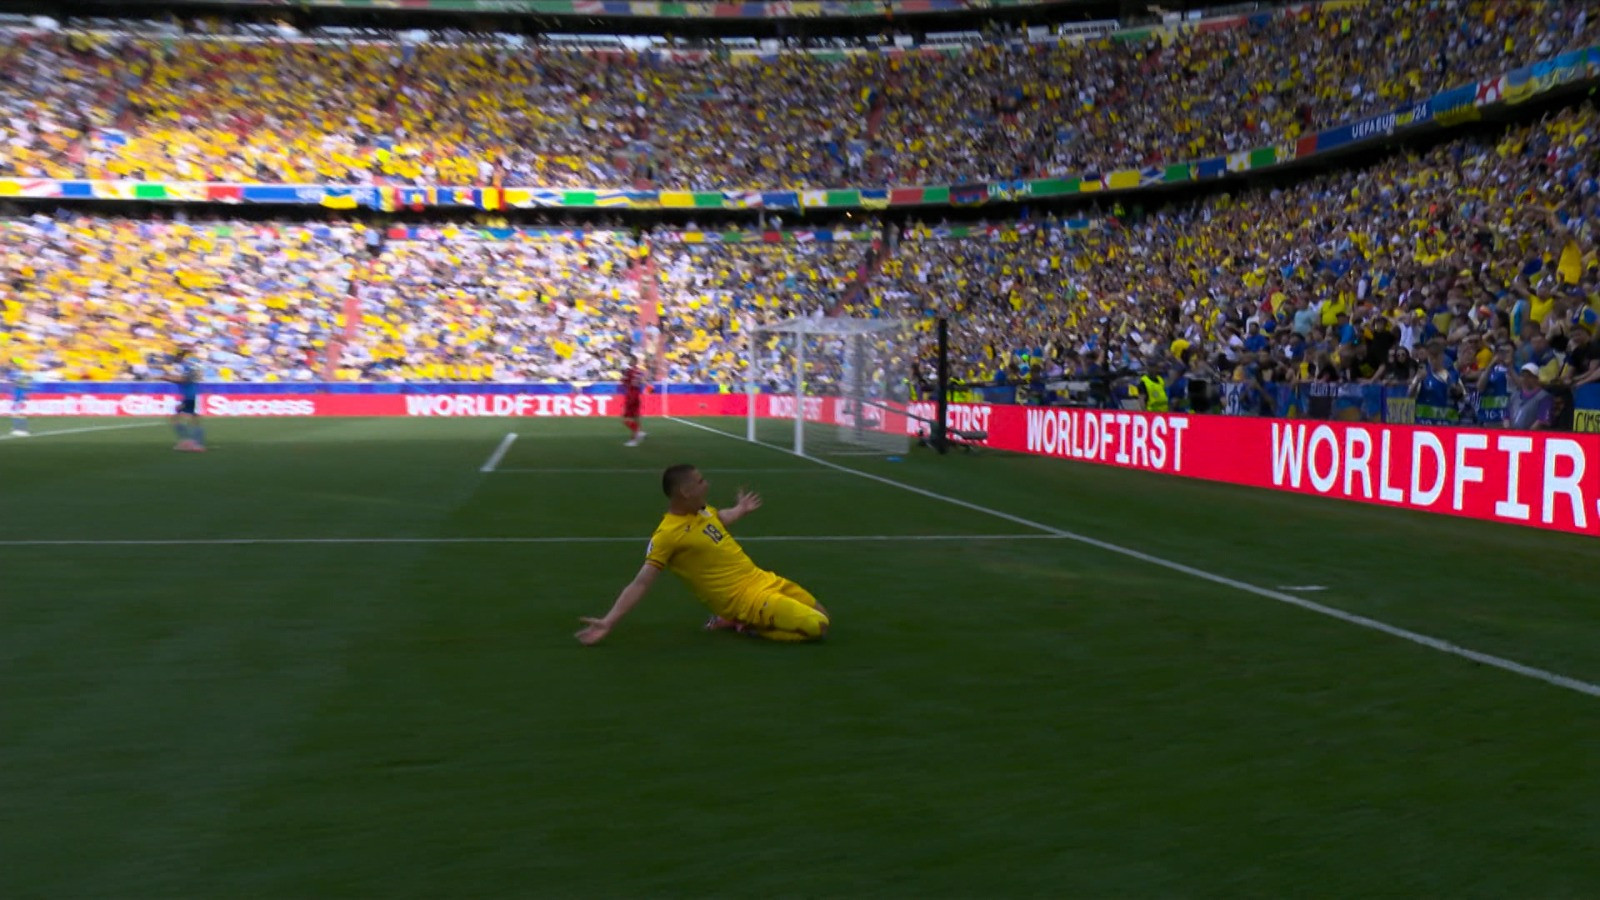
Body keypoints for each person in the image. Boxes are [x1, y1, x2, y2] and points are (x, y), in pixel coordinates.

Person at [575, 464, 830, 645]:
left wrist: (740, 509)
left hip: (762, 579)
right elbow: (641, 583)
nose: (706, 484)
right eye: (700, 481)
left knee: (822, 613)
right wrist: (609, 621)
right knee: (818, 626)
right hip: (744, 600)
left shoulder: (702, 510)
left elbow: (721, 519)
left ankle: (734, 620)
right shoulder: (668, 535)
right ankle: (747, 626)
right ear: (686, 493)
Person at [165, 349, 206, 452]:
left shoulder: (188, 366)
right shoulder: (192, 366)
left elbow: (183, 380)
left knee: (185, 419)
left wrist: (165, 378)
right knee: (192, 419)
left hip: (189, 396)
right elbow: (184, 380)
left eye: (179, 356)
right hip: (191, 395)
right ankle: (194, 443)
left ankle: (192, 443)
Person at [621, 356, 646, 447]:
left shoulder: (629, 371)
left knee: (626, 419)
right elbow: (642, 381)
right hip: (637, 394)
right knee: (636, 416)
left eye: (630, 360)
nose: (629, 361)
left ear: (633, 361)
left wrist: (624, 379)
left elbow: (624, 382)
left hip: (631, 395)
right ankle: (639, 433)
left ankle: (636, 436)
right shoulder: (639, 371)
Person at [7, 363, 32, 436]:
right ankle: (19, 428)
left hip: (19, 396)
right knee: (17, 412)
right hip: (20, 396)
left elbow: (14, 382)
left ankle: (19, 429)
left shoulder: (18, 375)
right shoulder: (22, 375)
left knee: (17, 412)